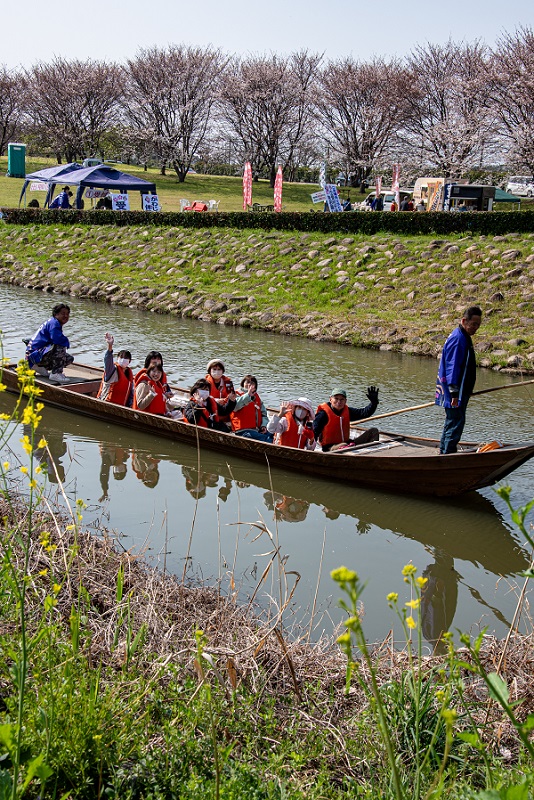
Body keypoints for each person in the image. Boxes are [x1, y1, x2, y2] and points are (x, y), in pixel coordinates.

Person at [435, 306, 482, 454]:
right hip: (455, 391)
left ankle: (445, 451)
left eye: (478, 325)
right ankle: (447, 454)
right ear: (463, 321)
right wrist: (454, 393)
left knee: (453, 421)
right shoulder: (458, 339)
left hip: (459, 390)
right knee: (456, 422)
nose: (475, 328)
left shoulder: (463, 336)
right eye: (473, 324)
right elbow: (452, 367)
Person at [313, 387, 380, 452]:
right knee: (343, 445)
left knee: (373, 431)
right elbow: (314, 431)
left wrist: (374, 403)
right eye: (336, 399)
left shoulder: (348, 411)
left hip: (347, 444)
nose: (339, 402)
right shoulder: (323, 414)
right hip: (330, 448)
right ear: (330, 399)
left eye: (342, 399)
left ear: (345, 401)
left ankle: (371, 455)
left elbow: (364, 413)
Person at [25, 302, 74, 383]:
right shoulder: (54, 323)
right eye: (63, 313)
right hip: (34, 355)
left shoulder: (53, 322)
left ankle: (37, 366)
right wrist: (66, 342)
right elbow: (57, 339)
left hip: (34, 355)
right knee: (60, 346)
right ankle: (55, 374)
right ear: (56, 314)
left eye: (67, 314)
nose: (66, 316)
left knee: (69, 359)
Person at [230, 375, 273, 442]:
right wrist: (248, 395)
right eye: (247, 382)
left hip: (257, 429)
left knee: (274, 434)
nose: (249, 384)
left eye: (252, 383)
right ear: (243, 383)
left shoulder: (257, 397)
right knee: (265, 439)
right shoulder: (236, 394)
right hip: (242, 431)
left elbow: (264, 414)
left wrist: (263, 426)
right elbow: (235, 407)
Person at [97, 332, 134, 407]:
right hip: (106, 404)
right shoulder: (112, 370)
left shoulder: (129, 375)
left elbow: (130, 394)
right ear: (117, 359)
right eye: (121, 357)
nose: (123, 360)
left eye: (126, 358)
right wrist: (110, 345)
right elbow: (107, 360)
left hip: (120, 407)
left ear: (129, 361)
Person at [205, 359, 236, 425]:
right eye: (214, 369)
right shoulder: (205, 383)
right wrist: (215, 400)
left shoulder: (228, 382)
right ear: (210, 371)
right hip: (210, 409)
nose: (217, 372)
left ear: (222, 371)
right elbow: (203, 397)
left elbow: (231, 395)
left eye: (219, 369)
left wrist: (224, 400)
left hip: (225, 409)